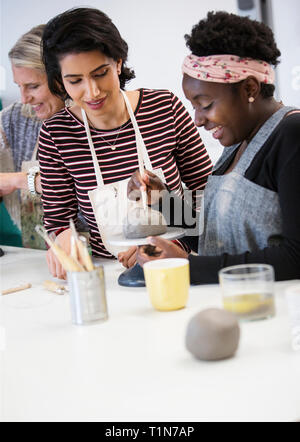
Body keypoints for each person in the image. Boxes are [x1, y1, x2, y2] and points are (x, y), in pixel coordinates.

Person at [39, 7, 213, 279]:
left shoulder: (163, 108)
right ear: (61, 82)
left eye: (100, 73)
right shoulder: (56, 133)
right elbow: (59, 221)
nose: (92, 91)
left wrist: (173, 245)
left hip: (174, 264)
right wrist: (64, 239)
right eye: (75, 81)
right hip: (105, 273)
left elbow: (208, 194)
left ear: (118, 62)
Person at [131, 11, 300, 284]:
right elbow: (217, 236)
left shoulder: (292, 135)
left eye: (206, 104)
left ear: (249, 89)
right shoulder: (238, 142)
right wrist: (162, 202)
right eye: (194, 105)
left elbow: (295, 258)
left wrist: (188, 268)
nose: (197, 120)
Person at [0, 25, 64, 248]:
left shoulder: (91, 119)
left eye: (33, 86)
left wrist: (21, 180)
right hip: (36, 253)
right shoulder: (13, 120)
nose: (24, 98)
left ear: (60, 77)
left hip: (98, 253)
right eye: (19, 86)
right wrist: (17, 180)